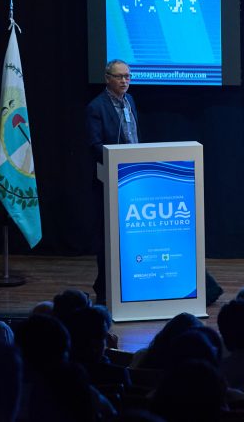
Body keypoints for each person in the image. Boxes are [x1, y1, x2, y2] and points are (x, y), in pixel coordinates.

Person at [86, 59, 139, 304]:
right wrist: (117, 159)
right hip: (109, 178)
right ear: (107, 78)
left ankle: (129, 282)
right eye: (119, 77)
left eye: (127, 76)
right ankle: (104, 289)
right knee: (108, 236)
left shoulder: (130, 102)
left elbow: (134, 138)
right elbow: (94, 145)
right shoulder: (96, 107)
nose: (125, 81)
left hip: (133, 176)